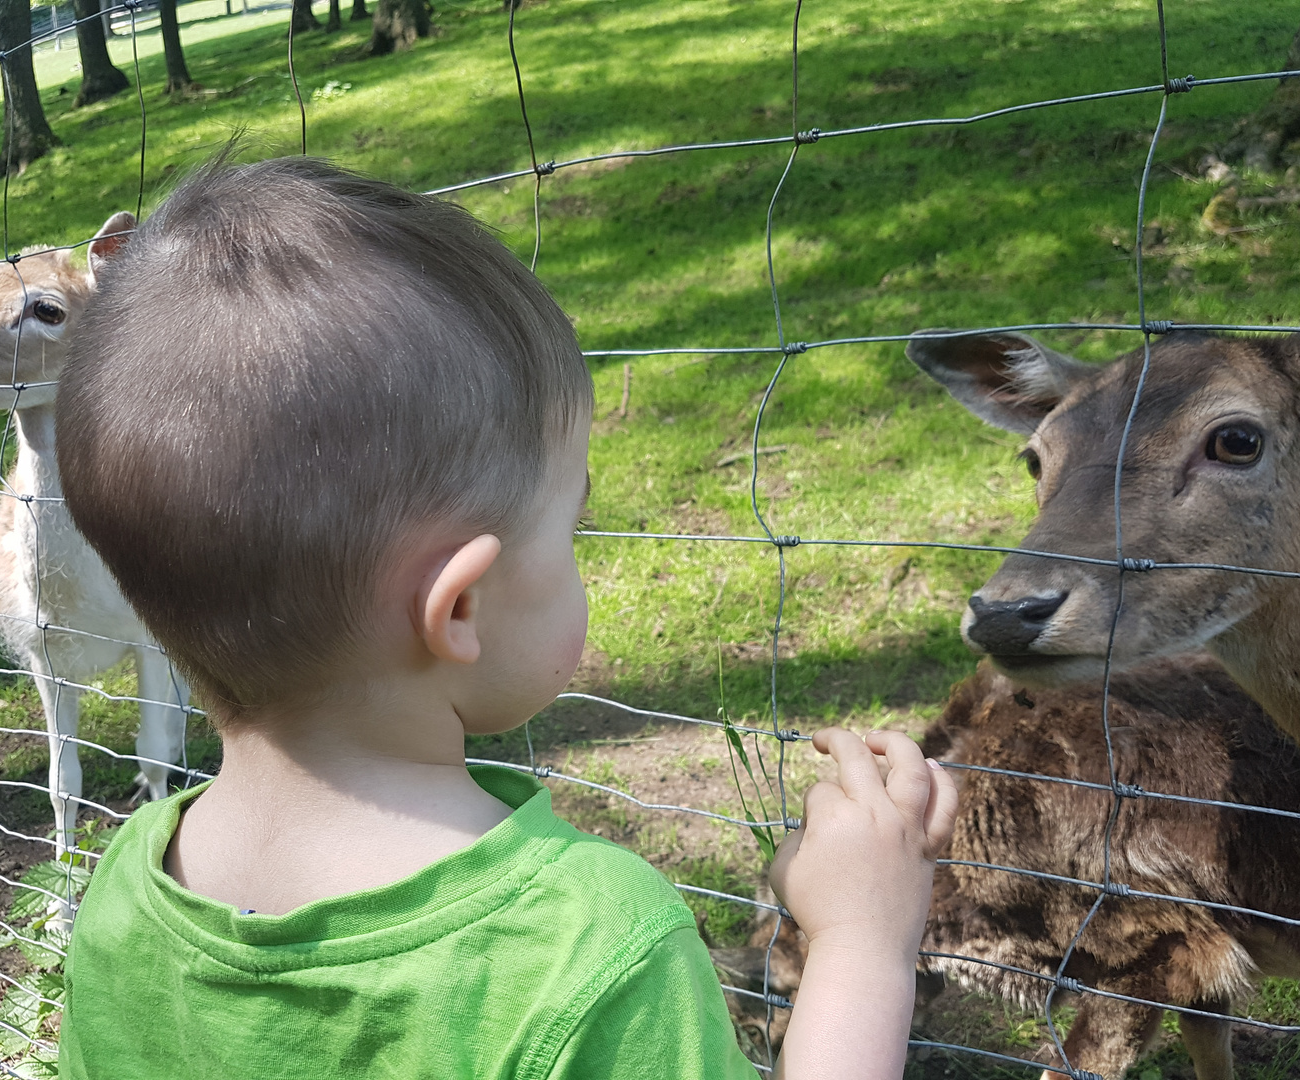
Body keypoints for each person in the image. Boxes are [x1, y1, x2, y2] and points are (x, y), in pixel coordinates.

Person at [53, 155, 957, 1079]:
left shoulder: (125, 892)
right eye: (571, 527)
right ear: (461, 607)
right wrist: (860, 942)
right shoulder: (588, 952)